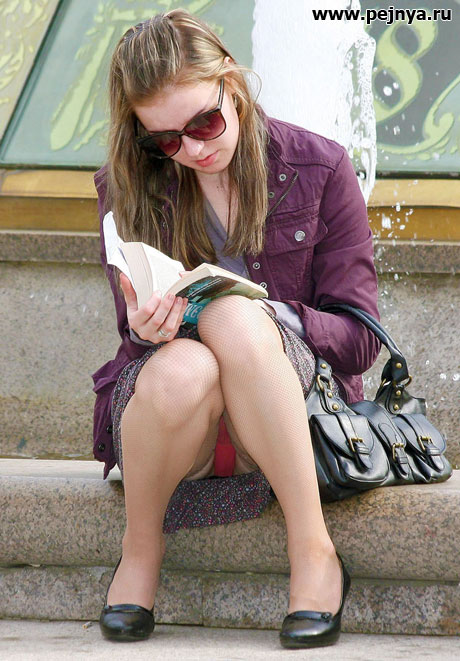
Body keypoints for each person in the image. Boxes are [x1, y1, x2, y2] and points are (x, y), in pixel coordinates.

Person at [91, 9, 380, 649]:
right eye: (166, 140)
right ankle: (140, 552)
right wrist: (144, 327)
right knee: (184, 363)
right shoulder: (125, 183)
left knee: (233, 315)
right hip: (178, 422)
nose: (194, 149)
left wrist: (271, 315)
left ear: (232, 81)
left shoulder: (318, 166)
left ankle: (314, 551)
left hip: (286, 413)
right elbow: (131, 337)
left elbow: (360, 339)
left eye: (205, 122)